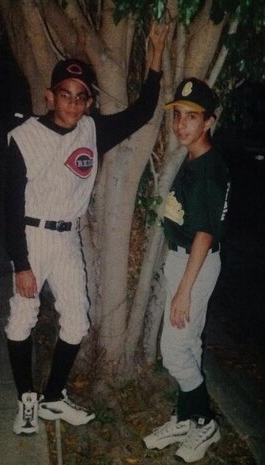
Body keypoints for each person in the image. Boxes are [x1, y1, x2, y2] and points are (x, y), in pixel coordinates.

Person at [4, 22, 168, 436]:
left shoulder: (92, 132)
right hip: (32, 236)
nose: (73, 104)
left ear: (88, 102)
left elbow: (143, 111)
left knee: (77, 321)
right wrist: (22, 264)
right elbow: (10, 206)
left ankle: (54, 397)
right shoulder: (25, 138)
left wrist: (155, 54)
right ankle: (27, 398)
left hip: (67, 238)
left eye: (80, 98)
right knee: (22, 317)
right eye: (65, 95)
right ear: (50, 95)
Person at [143, 78, 230, 462]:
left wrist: (183, 291)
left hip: (194, 265)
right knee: (188, 345)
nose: (181, 125)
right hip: (183, 261)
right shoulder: (194, 159)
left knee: (174, 351)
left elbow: (205, 233)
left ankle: (205, 423)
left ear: (208, 121)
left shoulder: (210, 168)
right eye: (178, 116)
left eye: (191, 117)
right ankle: (185, 418)